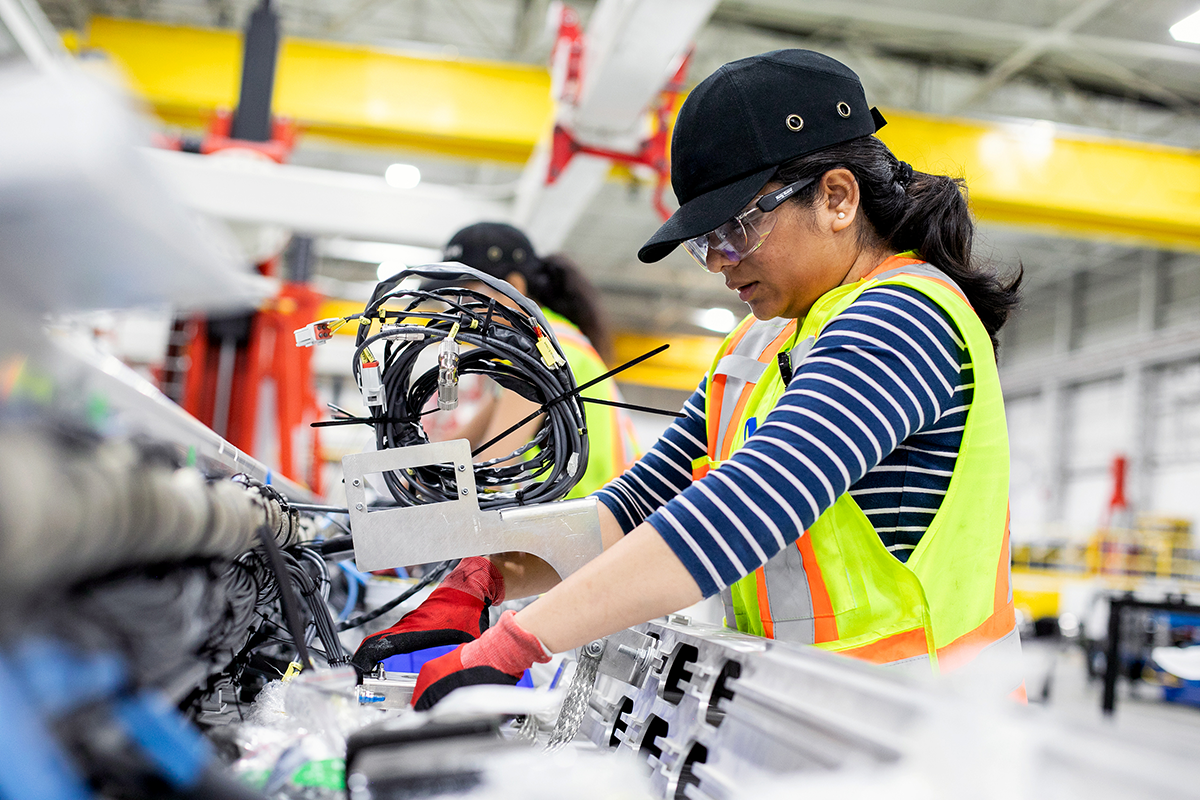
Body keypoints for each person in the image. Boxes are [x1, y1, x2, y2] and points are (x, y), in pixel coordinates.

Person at [384, 48, 1027, 708]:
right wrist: (487, 574)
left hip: (929, 730)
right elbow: (637, 506)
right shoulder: (762, 341)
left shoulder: (903, 316)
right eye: (706, 243)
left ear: (836, 197)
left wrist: (517, 643)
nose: (719, 263)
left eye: (737, 229)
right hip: (813, 715)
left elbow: (747, 505)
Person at [351, 222, 641, 670]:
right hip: (572, 558)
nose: (453, 310)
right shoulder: (521, 353)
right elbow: (461, 447)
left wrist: (412, 525)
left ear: (513, 288)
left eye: (464, 294)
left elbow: (485, 463)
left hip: (581, 559)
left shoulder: (545, 349)